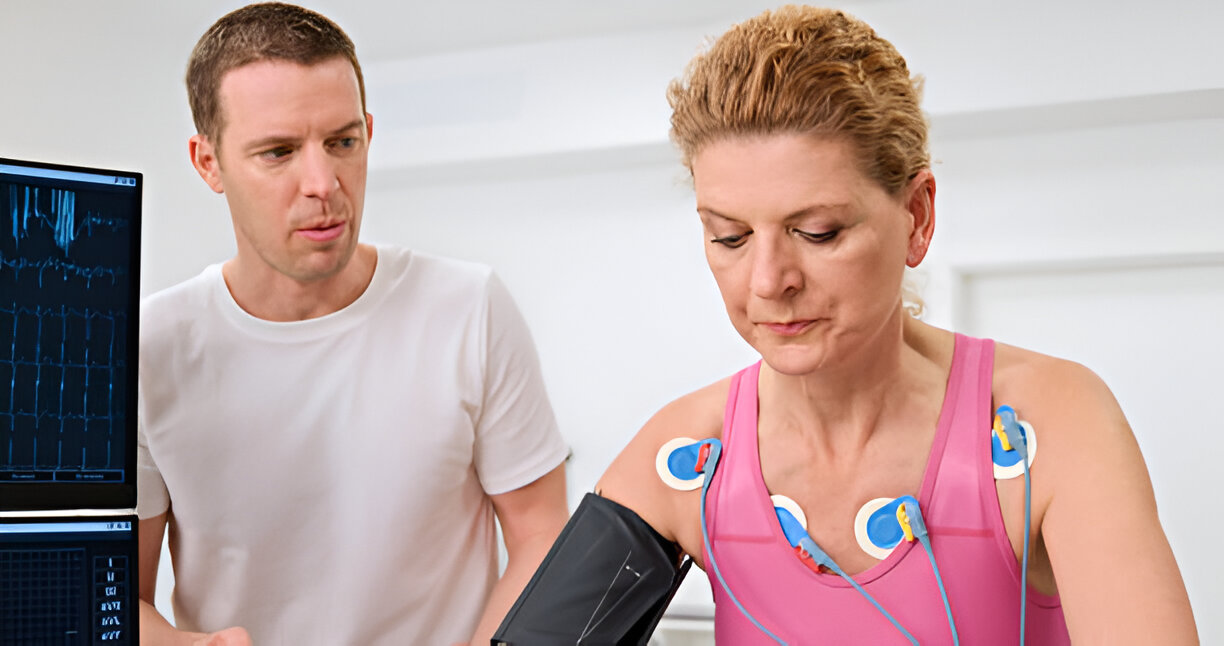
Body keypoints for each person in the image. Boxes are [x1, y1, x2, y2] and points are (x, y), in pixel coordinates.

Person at [530, 5, 1195, 644]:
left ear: (917, 217)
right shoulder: (686, 457)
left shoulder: (1051, 421)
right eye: (730, 237)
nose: (768, 281)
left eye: (818, 232)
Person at [135, 3, 570, 645]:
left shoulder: (469, 308)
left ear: (367, 131)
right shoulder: (145, 349)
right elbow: (119, 599)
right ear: (209, 163)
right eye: (279, 152)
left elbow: (542, 535)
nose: (324, 183)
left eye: (342, 142)